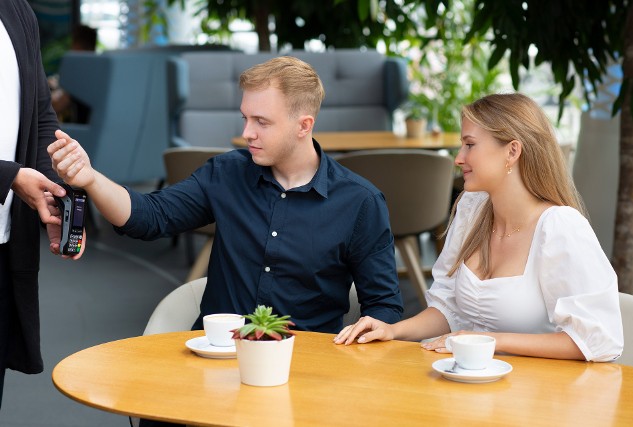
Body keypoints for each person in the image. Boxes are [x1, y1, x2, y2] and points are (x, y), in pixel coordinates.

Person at [49, 56, 403, 333]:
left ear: (303, 125)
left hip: (304, 367)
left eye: (262, 121)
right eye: (245, 117)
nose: (246, 132)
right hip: (215, 356)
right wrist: (91, 178)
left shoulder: (360, 203)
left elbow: (384, 305)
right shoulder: (227, 173)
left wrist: (373, 331)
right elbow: (148, 217)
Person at [335, 93, 624, 362]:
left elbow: (598, 340)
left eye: (470, 145)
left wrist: (489, 340)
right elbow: (449, 308)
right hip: (469, 381)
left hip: (538, 399)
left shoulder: (560, 228)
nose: (459, 158)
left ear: (512, 151)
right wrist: (392, 330)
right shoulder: (472, 209)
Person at [0, 0, 84, 410]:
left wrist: (48, 191)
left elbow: (39, 117)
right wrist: (10, 177)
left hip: (3, 243)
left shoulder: (16, 11)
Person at [49, 24, 97, 123]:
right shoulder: (97, 71)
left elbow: (57, 107)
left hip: (79, 131)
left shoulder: (81, 74)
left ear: (77, 45)